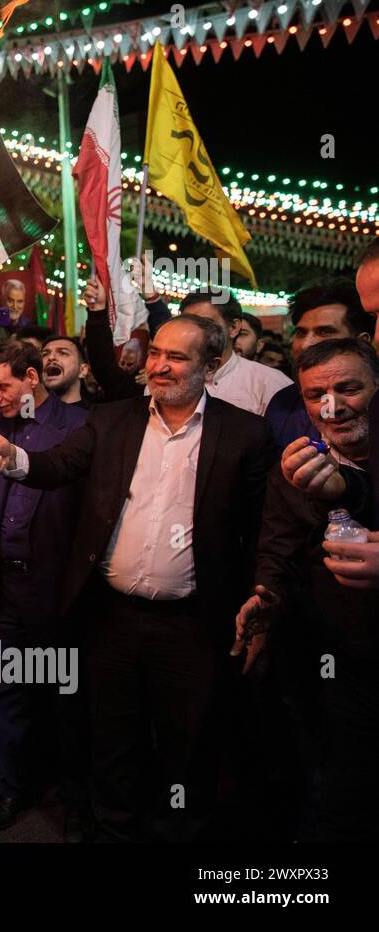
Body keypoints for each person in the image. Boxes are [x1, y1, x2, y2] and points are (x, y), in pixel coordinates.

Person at [0, 314, 273, 841]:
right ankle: (113, 831)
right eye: (155, 352)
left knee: (185, 746)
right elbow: (55, 465)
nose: (159, 365)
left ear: (211, 364)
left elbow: (260, 529)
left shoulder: (245, 434)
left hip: (193, 625)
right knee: (113, 740)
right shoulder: (111, 421)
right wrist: (12, 457)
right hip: (111, 619)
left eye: (177, 357)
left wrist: (260, 602)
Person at [242, 338, 379, 841]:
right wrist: (265, 595)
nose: (332, 406)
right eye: (315, 393)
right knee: (334, 794)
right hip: (336, 661)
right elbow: (277, 546)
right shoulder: (297, 461)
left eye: (348, 389)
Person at [0, 340, 90, 838]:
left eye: (2, 386)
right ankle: (14, 787)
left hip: (55, 589)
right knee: (5, 690)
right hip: (4, 585)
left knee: (65, 694)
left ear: (32, 377)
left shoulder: (77, 427)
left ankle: (76, 797)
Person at [263, 282, 374, 449]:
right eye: (300, 333)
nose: (306, 344)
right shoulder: (282, 403)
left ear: (362, 343)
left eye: (324, 332)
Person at [176, 292, 292, 416]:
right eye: (187, 324)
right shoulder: (164, 376)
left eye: (205, 323)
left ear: (233, 328)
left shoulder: (270, 384)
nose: (193, 332)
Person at [80, 272, 171, 401]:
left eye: (129, 364)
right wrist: (97, 311)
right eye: (123, 362)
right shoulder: (126, 389)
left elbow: (170, 340)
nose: (124, 367)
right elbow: (103, 364)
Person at [40, 334, 92, 408]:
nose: (51, 357)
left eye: (62, 353)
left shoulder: (98, 416)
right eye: (45, 354)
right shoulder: (27, 415)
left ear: (83, 370)